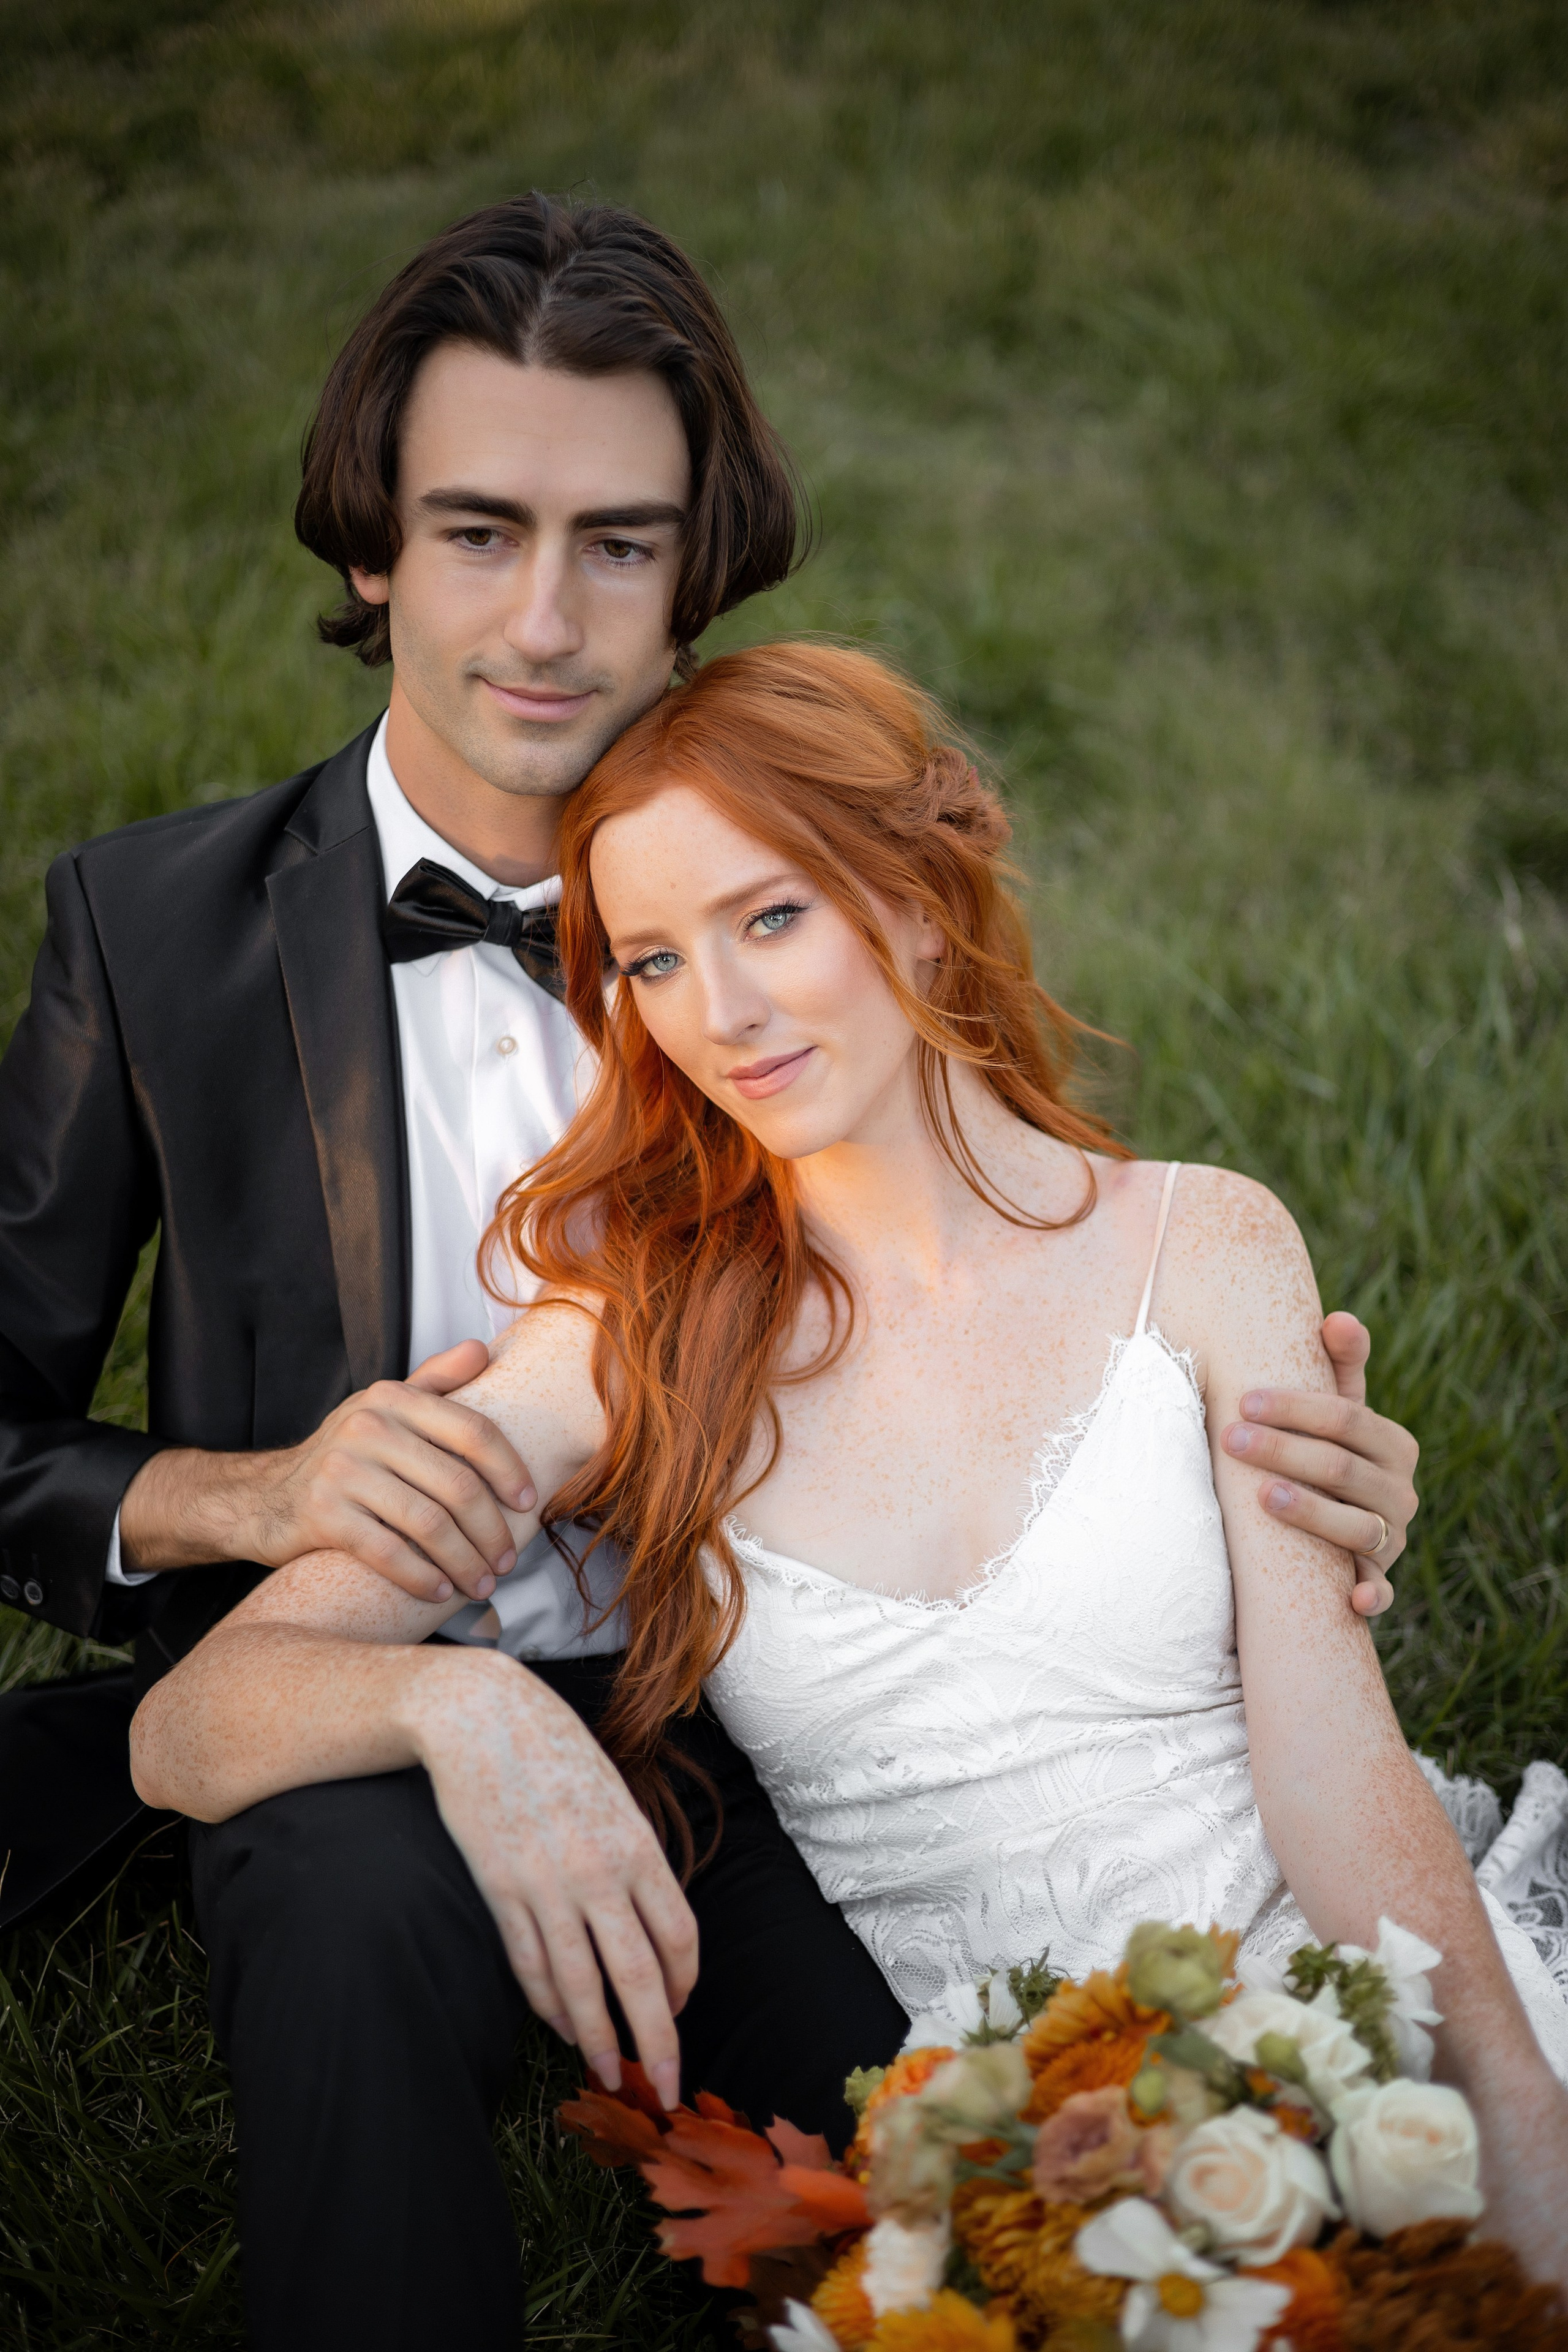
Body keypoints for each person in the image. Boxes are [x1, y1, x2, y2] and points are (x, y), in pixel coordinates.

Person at [0, 195, 1417, 2344]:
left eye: (621, 545)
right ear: (372, 548)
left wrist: (1283, 1506)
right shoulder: (150, 932)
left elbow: (1019, 1293)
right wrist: (256, 1504)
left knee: (972, 2200)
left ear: (701, 572)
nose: (545, 619)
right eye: (476, 532)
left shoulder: (790, 907)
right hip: (351, 1693)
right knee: (338, 1915)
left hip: (770, 1721)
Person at [133, 641, 1568, 2293]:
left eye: (770, 919)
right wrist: (469, 1709)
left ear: (919, 897)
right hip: (1018, 2127)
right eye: (657, 961)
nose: (720, 1015)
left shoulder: (1206, 1241)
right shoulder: (635, 1333)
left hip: (1339, 1976)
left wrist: (1515, 2124)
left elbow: (1338, 1765)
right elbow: (192, 1724)